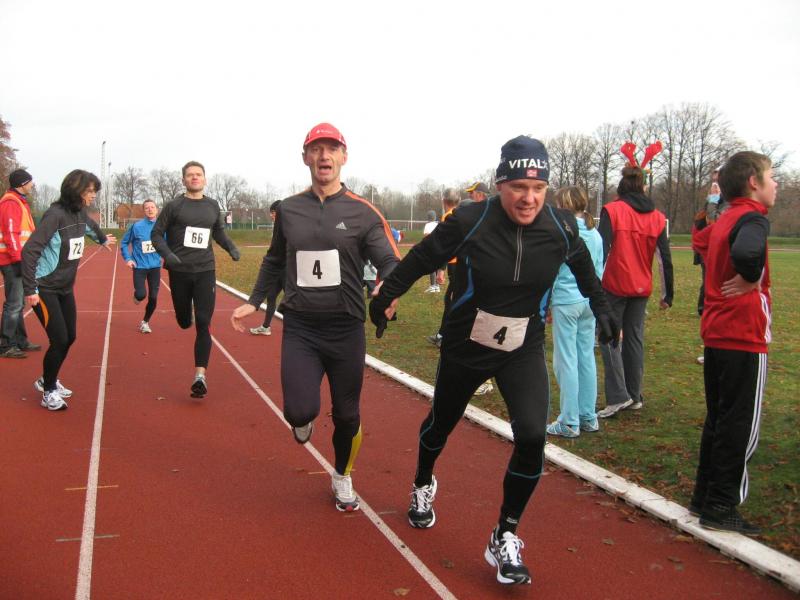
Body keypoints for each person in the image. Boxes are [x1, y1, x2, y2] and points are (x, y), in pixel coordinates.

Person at [369, 136, 618, 585]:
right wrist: (387, 296)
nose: (529, 197)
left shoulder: (561, 226)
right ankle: (423, 481)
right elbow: (422, 258)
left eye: (538, 188)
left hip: (522, 347)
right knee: (441, 424)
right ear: (501, 184)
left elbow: (583, 269)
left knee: (532, 435)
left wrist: (602, 308)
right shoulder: (470, 219)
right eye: (519, 186)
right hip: (466, 345)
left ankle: (505, 533)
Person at [231, 123, 400, 512]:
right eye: (316, 149)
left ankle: (342, 475)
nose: (324, 156)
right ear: (305, 157)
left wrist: (386, 289)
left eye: (332, 149)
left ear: (344, 156)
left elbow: (390, 261)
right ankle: (303, 420)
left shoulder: (363, 212)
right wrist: (255, 300)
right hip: (301, 328)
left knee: (347, 414)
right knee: (298, 411)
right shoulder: (289, 210)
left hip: (345, 328)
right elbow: (274, 259)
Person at [689, 151, 777, 535]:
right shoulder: (752, 217)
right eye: (771, 177)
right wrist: (751, 275)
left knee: (720, 418)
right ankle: (722, 504)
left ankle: (704, 496)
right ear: (754, 182)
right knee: (739, 424)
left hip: (717, 330)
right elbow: (746, 252)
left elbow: (700, 239)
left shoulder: (725, 218)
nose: (776, 184)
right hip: (742, 333)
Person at [21, 170, 116, 410]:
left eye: (95, 191)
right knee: (59, 339)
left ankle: (47, 380)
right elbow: (30, 251)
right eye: (90, 191)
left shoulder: (79, 213)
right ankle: (48, 391)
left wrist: (102, 239)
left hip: (64, 288)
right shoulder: (55, 215)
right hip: (44, 287)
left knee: (70, 337)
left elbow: (91, 226)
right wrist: (30, 289)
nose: (93, 196)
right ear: (75, 190)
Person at [596, 143, 674, 418]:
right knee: (634, 339)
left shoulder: (612, 211)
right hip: (641, 286)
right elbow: (664, 258)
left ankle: (619, 395)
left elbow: (602, 250)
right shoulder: (657, 218)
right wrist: (668, 294)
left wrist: (593, 287)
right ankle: (634, 394)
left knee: (607, 336)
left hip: (614, 285)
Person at [151, 161, 240, 398]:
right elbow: (156, 234)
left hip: (205, 270)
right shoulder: (174, 206)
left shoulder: (212, 205)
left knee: (203, 321)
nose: (194, 178)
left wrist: (231, 247)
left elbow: (218, 231)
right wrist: (168, 255)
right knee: (184, 321)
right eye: (190, 175)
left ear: (205, 179)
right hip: (179, 272)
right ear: (183, 180)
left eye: (198, 174)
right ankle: (184, 317)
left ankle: (200, 376)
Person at [546, 186, 604, 438]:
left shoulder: (563, 233)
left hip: (566, 300)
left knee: (566, 360)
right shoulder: (595, 233)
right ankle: (588, 416)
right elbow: (599, 269)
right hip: (589, 301)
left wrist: (548, 302)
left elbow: (553, 270)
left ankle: (570, 420)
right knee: (585, 357)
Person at [0, 169, 41, 358]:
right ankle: (6, 344)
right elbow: (11, 233)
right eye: (30, 181)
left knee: (17, 303)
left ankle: (20, 340)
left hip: (17, 259)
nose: (32, 185)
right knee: (14, 303)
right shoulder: (11, 202)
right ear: (22, 184)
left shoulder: (18, 201)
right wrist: (18, 260)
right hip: (12, 260)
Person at [120, 198, 162, 333]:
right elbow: (124, 243)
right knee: (141, 294)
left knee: (153, 297)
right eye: (147, 207)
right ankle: (137, 296)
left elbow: (168, 244)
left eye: (152, 207)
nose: (150, 209)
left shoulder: (162, 226)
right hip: (139, 266)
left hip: (155, 267)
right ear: (144, 211)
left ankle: (145, 322)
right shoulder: (137, 226)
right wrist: (128, 259)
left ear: (157, 210)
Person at [426, 191, 459, 348]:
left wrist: (441, 268)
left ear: (444, 201)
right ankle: (442, 335)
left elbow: (448, 243)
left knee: (452, 300)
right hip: (459, 263)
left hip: (455, 264)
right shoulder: (460, 214)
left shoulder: (448, 216)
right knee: (452, 299)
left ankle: (445, 337)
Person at [250, 200, 284, 336]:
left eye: (273, 212)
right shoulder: (275, 227)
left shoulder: (289, 226)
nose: (271, 215)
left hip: (287, 270)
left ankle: (301, 331)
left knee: (292, 300)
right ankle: (266, 327)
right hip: (276, 269)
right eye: (271, 213)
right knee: (271, 296)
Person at [422, 210, 439, 293]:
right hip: (439, 247)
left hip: (431, 248)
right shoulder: (438, 224)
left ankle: (432, 286)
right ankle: (437, 286)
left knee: (432, 267)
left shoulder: (427, 225)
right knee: (437, 266)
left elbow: (426, 237)